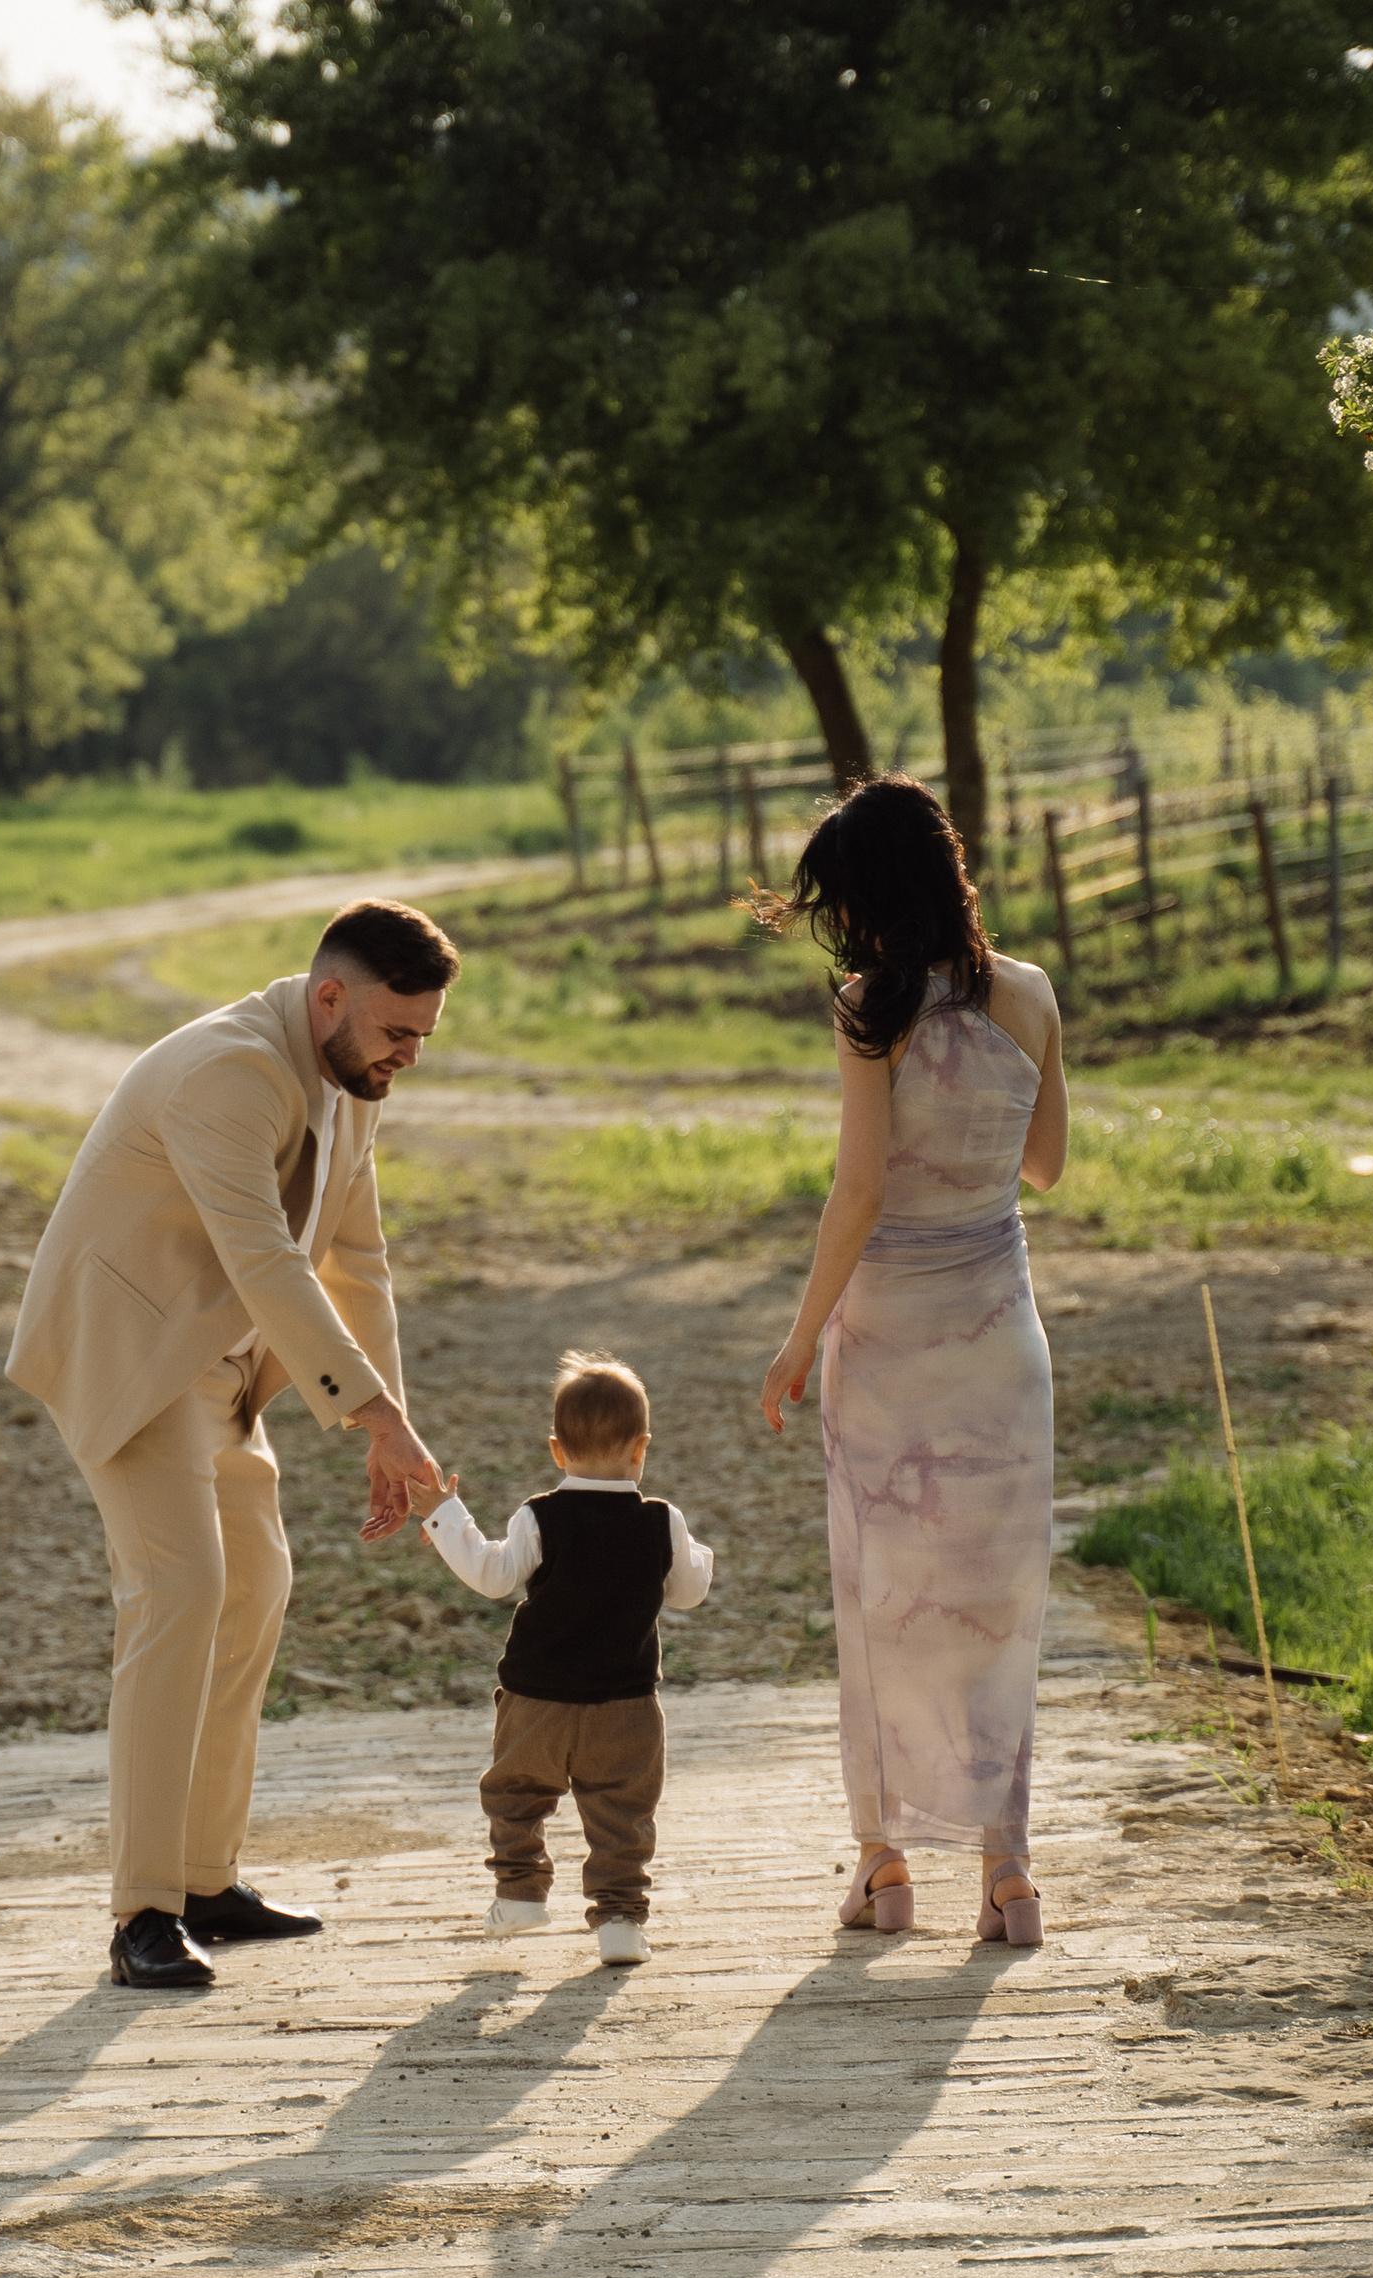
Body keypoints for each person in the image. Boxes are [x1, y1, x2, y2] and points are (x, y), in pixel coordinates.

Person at [8, 897, 456, 1992]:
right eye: (398, 1032)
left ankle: (206, 1880)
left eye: (423, 1038)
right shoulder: (229, 1072)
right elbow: (266, 1262)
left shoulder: (352, 1085)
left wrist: (386, 1422)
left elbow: (360, 1262)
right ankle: (142, 1915)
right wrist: (375, 1419)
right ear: (330, 998)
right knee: (182, 1590)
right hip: (129, 1351)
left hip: (217, 1366)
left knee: (256, 1583)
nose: (409, 1055)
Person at [754, 777, 1068, 1946]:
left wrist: (795, 1341)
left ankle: (884, 1863)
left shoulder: (865, 1010)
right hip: (999, 1335)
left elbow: (858, 1191)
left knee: (880, 1593)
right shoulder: (1029, 995)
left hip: (886, 1335)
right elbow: (1045, 1166)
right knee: (1001, 1603)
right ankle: (1008, 1871)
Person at [417, 1351, 714, 1969]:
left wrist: (443, 1515)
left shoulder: (540, 1515)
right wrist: (698, 1552)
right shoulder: (663, 1520)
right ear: (641, 1448)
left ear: (557, 1450)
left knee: (514, 1793)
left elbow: (493, 1575)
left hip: (536, 1700)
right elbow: (687, 1593)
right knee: (623, 1814)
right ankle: (621, 1920)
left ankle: (520, 1891)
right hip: (627, 1705)